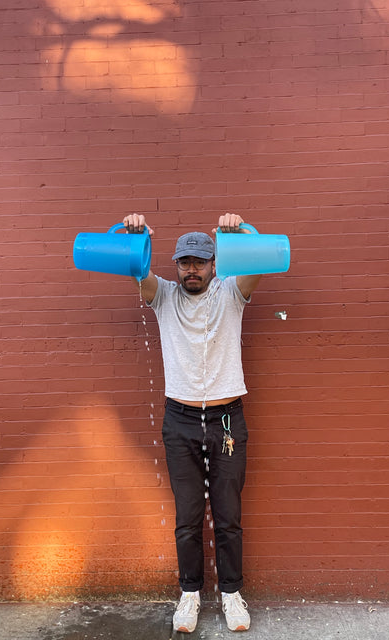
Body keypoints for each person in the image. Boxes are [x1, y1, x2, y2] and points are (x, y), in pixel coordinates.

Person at [123, 212, 262, 633]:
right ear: (176, 265)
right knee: (187, 517)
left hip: (225, 419)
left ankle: (232, 594)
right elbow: (137, 271)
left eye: (200, 262)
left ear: (214, 263)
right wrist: (135, 235)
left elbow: (256, 264)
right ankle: (189, 595)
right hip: (179, 419)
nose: (192, 270)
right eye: (185, 262)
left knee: (228, 515)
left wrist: (240, 230)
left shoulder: (231, 293)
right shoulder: (163, 295)